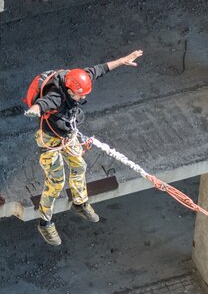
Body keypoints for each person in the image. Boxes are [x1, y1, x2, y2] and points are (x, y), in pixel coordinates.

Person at [25, 50, 143, 246]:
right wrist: (32, 111)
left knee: (79, 167)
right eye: (80, 96)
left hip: (68, 136)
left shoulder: (79, 79)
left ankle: (80, 203)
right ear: (70, 92)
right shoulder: (56, 97)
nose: (82, 98)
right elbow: (41, 104)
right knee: (56, 182)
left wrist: (123, 60)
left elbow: (101, 69)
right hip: (50, 142)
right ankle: (45, 222)